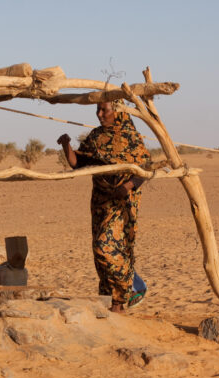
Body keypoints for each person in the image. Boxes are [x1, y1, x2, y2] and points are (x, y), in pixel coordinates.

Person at [57, 101, 150, 313]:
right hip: (100, 201)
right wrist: (66, 145)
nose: (99, 114)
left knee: (105, 247)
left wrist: (126, 187)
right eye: (97, 109)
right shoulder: (95, 136)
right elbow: (77, 163)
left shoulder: (131, 137)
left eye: (104, 110)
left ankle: (131, 287)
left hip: (122, 204)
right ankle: (115, 303)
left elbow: (144, 168)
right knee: (100, 255)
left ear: (118, 112)